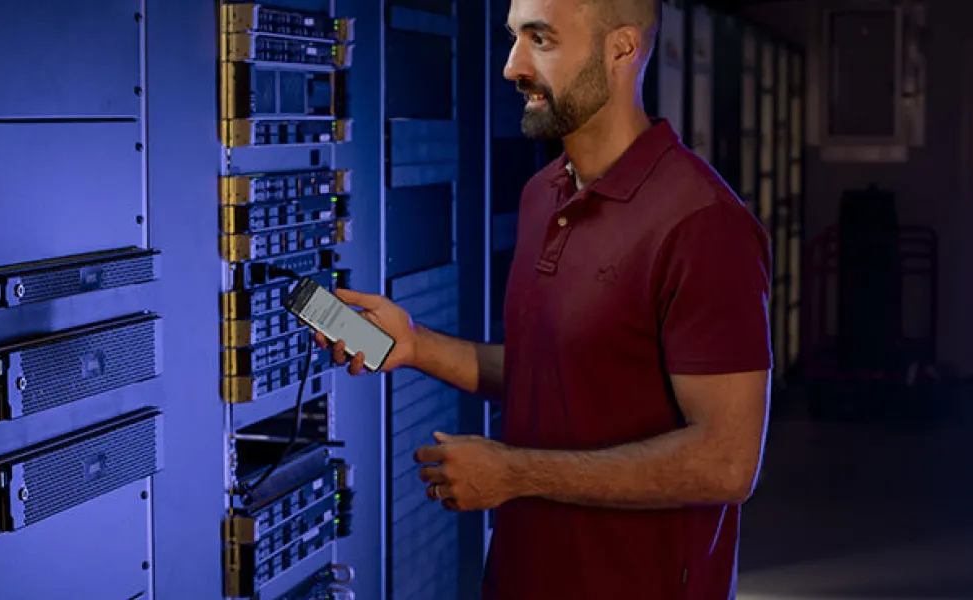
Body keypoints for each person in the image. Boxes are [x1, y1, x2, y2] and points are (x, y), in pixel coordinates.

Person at [313, 0, 772, 597]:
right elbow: (561, 373)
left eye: (541, 39)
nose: (512, 66)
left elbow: (727, 462)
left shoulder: (704, 224)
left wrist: (514, 472)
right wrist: (416, 345)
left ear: (622, 50)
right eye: (513, 38)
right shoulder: (542, 195)